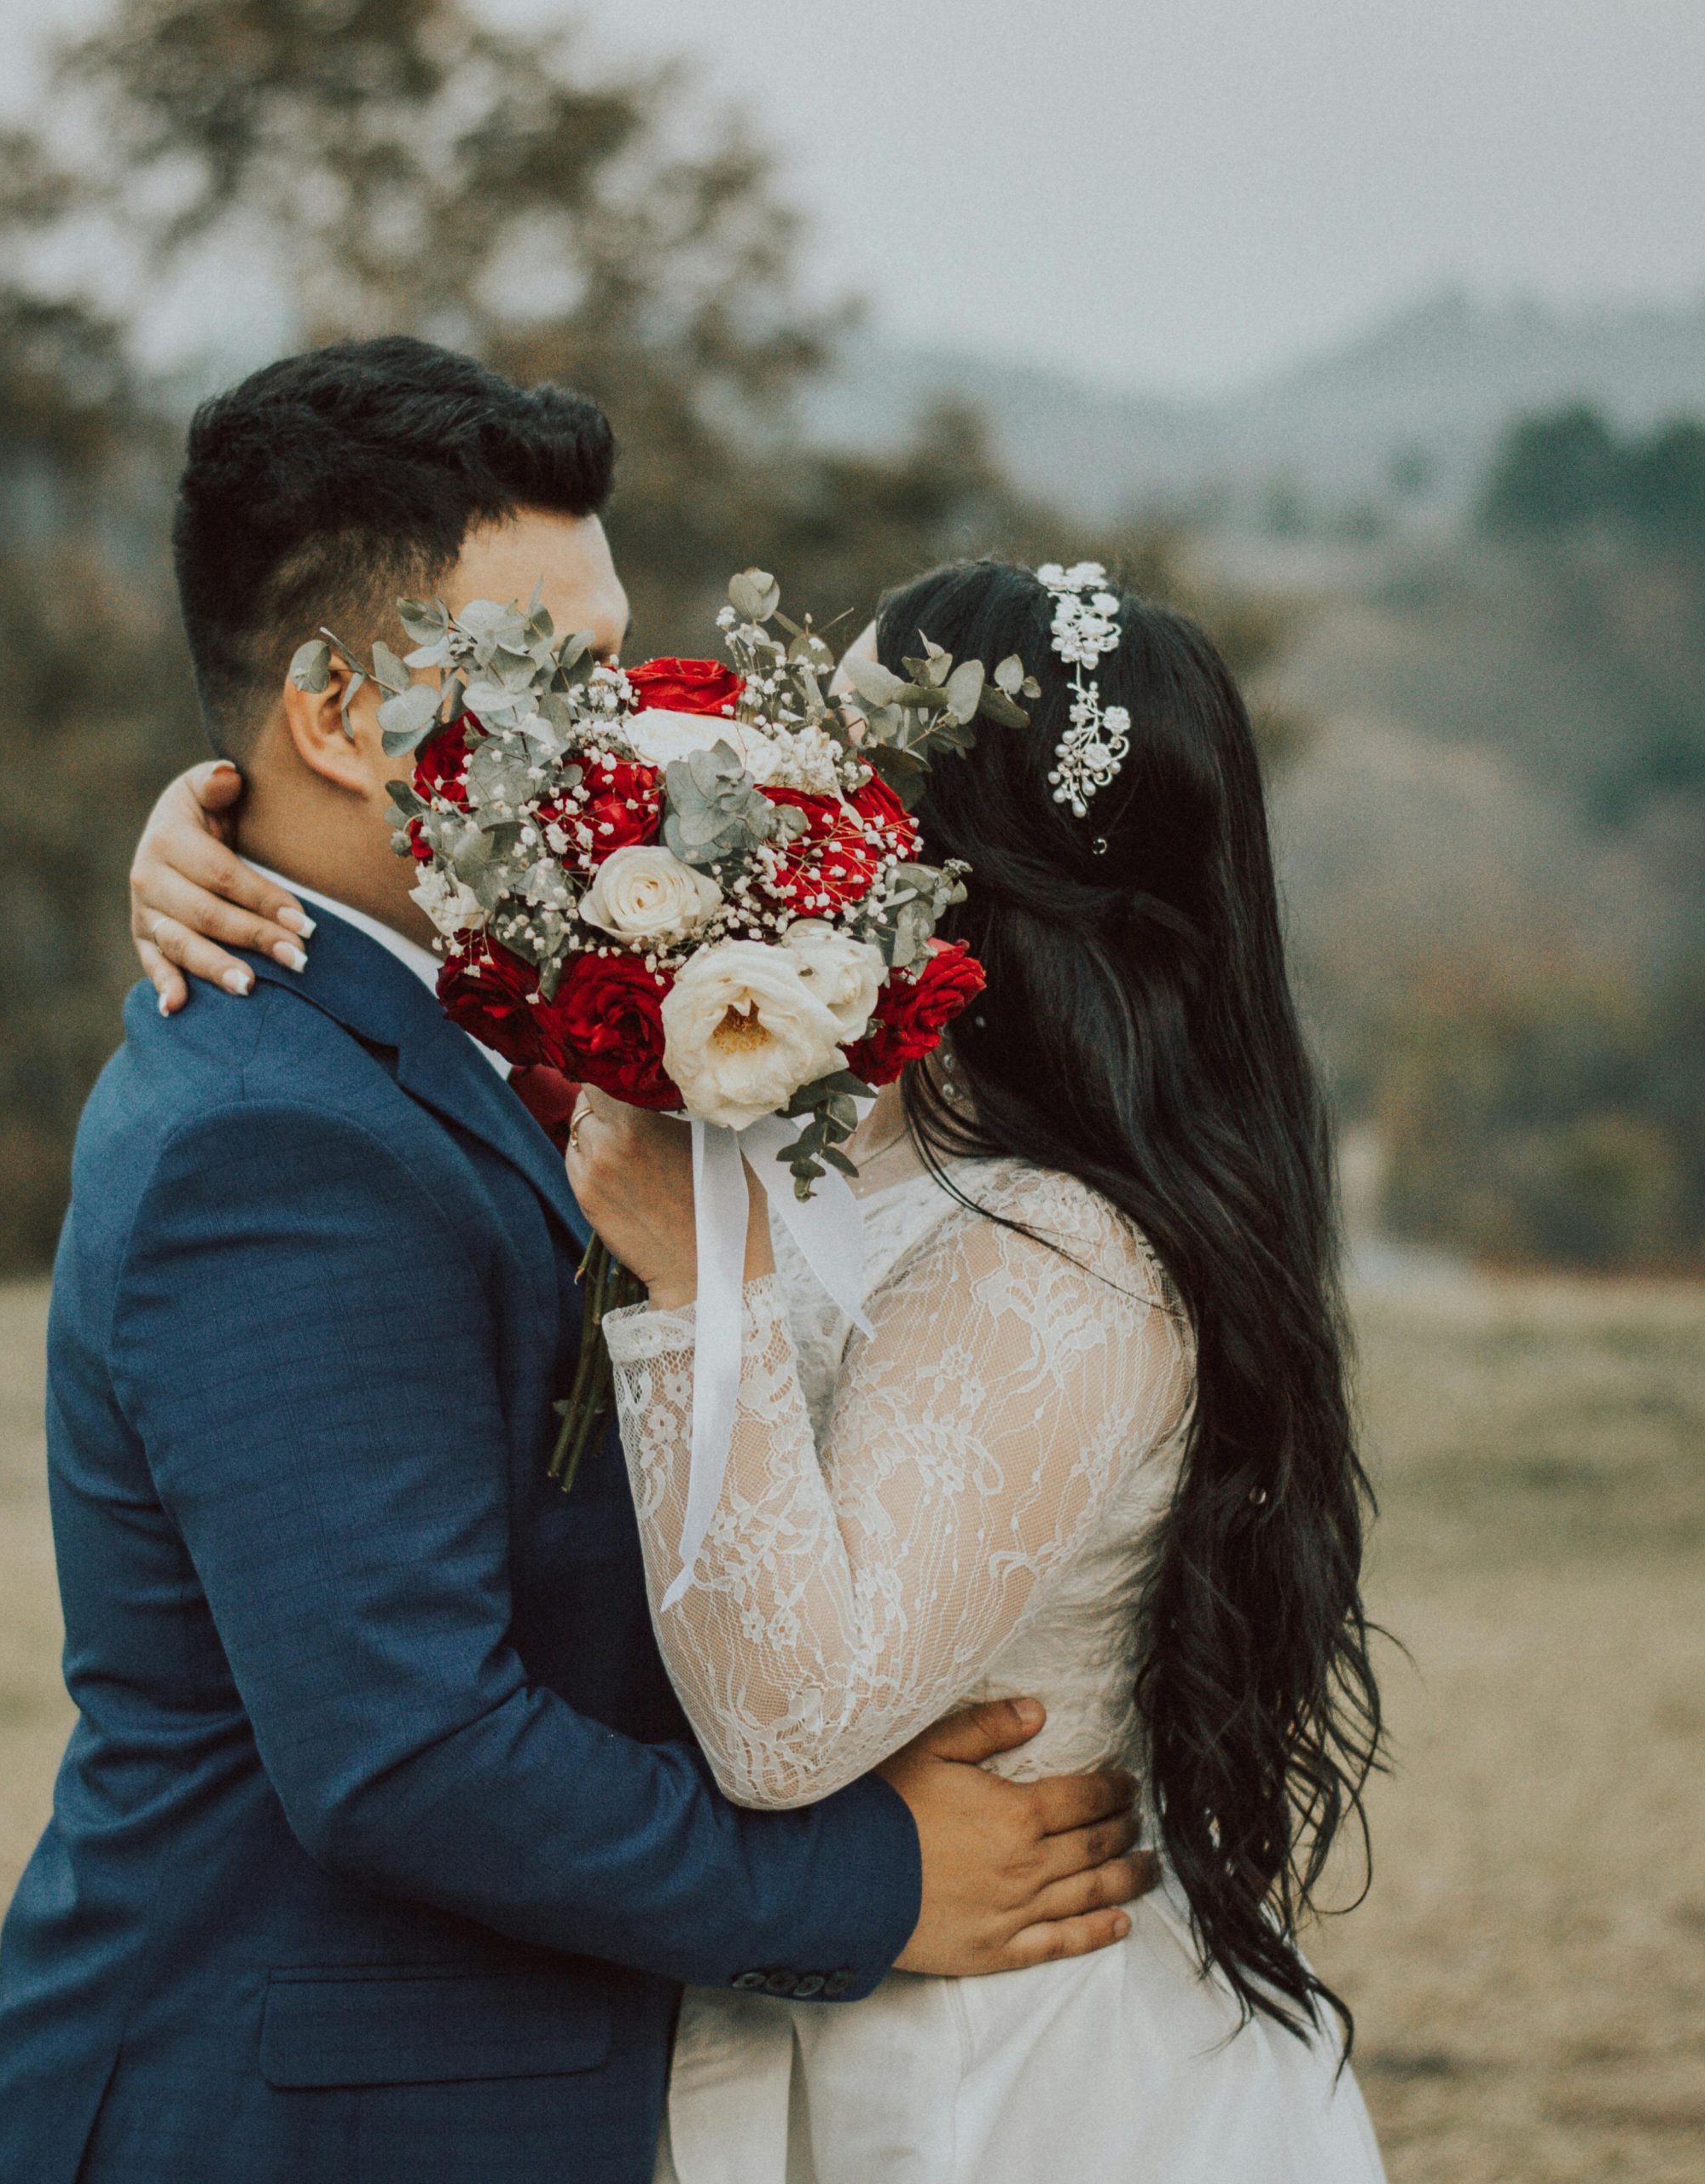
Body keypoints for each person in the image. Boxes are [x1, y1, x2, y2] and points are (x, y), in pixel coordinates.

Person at [0, 340, 1156, 2184]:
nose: (630, 745)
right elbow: (406, 1752)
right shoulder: (272, 1144)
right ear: (341, 715)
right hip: (291, 2117)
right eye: (565, 681)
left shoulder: (519, 1002)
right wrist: (869, 1876)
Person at [134, 550, 1392, 2180]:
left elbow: (788, 1732)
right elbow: (472, 1016)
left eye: (822, 756)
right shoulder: (830, 1126)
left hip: (1001, 2071)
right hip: (811, 2009)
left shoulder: (1059, 1260)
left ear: (944, 865)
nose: (757, 781)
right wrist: (210, 839)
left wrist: (691, 1284)